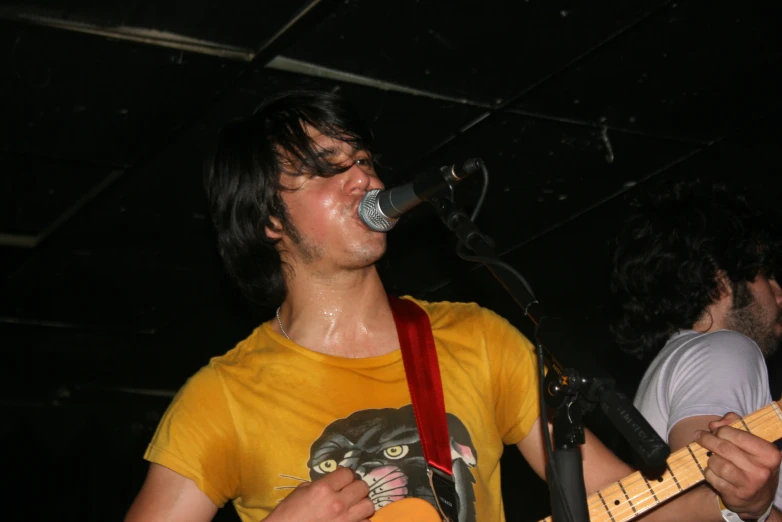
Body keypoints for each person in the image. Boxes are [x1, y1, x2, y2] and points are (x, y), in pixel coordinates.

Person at [126, 91, 781, 522]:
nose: (365, 177)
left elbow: (622, 506)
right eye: (328, 168)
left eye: (362, 158)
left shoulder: (476, 340)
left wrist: (739, 501)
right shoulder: (223, 398)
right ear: (268, 218)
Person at [608, 179, 782, 520]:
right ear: (720, 283)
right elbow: (706, 495)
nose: (779, 292)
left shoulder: (676, 362)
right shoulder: (725, 349)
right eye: (765, 276)